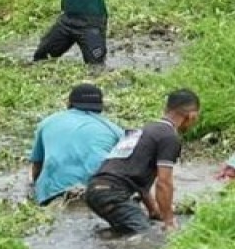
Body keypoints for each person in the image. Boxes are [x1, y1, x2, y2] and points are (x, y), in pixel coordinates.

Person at [85, 89, 201, 234]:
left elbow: (140, 182)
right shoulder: (169, 137)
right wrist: (169, 221)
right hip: (113, 194)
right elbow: (164, 183)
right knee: (146, 236)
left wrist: (154, 211)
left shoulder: (143, 130)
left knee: (128, 229)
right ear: (192, 115)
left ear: (166, 109)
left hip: (93, 190)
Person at [30, 83, 126, 206]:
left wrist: (37, 191)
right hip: (99, 191)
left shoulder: (47, 123)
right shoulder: (114, 129)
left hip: (53, 192)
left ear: (69, 103)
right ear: (101, 107)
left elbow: (37, 166)